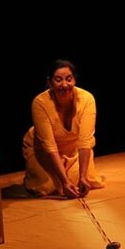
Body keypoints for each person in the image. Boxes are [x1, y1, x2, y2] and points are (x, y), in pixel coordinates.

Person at [22, 59, 105, 198]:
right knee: (48, 187)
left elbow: (85, 141)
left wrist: (83, 176)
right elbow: (49, 145)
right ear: (50, 82)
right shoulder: (40, 103)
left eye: (69, 79)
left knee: (83, 181)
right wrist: (65, 182)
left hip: (73, 148)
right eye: (58, 80)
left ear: (74, 80)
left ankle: (74, 173)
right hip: (43, 150)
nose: (64, 85)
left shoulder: (87, 99)